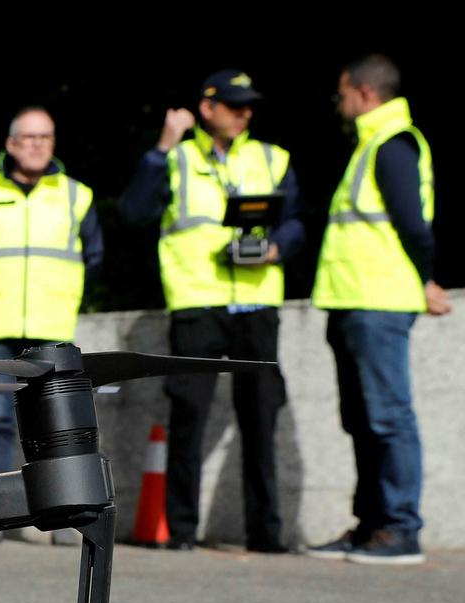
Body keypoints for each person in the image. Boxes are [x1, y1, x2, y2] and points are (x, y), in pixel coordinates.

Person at [122, 71, 305, 553]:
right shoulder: (176, 158)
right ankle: (181, 531)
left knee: (261, 416)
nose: (245, 113)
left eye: (249, 106)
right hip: (197, 301)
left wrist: (277, 248)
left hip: (257, 301)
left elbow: (296, 224)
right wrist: (163, 145)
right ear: (207, 108)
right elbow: (135, 211)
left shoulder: (271, 157)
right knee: (189, 415)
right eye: (234, 104)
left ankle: (265, 534)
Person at [305, 55, 449, 565]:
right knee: (362, 421)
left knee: (387, 418)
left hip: (378, 302)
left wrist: (426, 279)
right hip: (353, 300)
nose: (339, 103)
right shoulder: (371, 146)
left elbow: (414, 226)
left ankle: (400, 529)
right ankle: (370, 526)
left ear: (365, 93)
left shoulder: (392, 144)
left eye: (342, 93)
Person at [0, 106, 103, 543]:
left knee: (58, 423)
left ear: (53, 143)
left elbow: (94, 257)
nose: (36, 144)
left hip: (52, 322)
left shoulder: (77, 195)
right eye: (28, 137)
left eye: (45, 137)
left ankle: (63, 519)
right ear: (10, 144)